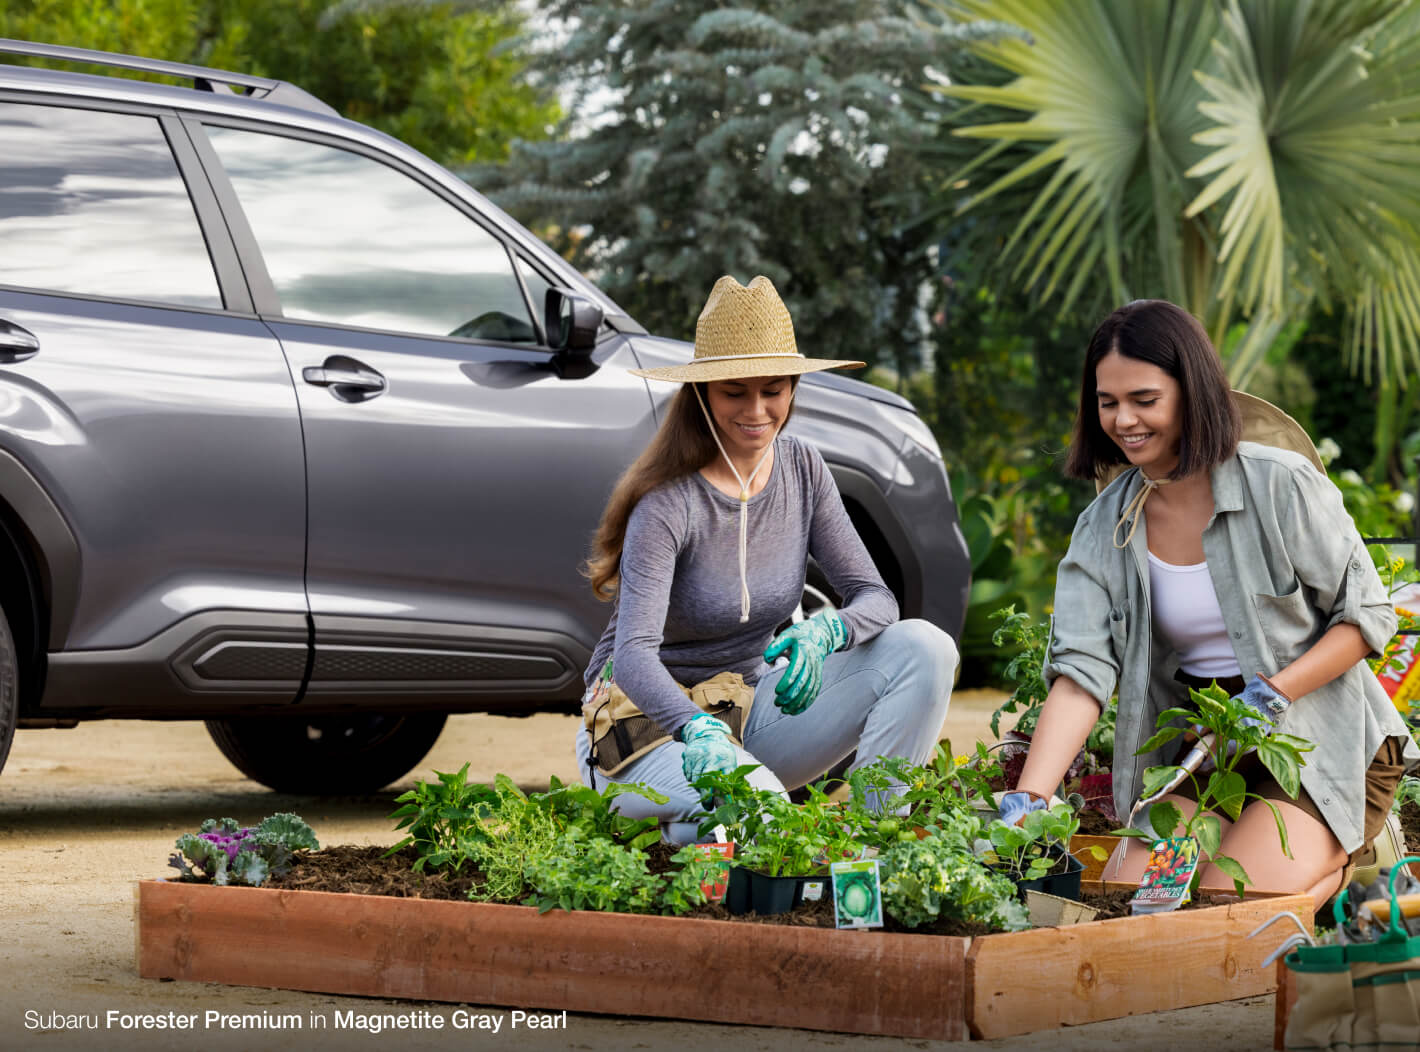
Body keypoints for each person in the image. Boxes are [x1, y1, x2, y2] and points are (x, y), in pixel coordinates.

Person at [1003, 299, 1418, 908]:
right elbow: (1081, 674)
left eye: (1145, 400)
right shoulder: (1103, 529)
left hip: (1320, 739)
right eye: (1107, 402)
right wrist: (1030, 800)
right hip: (1207, 747)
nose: (1125, 420)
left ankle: (1342, 870)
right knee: (1134, 897)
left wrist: (1274, 692)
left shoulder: (1281, 485)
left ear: (1191, 392)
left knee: (1228, 902)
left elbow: (1365, 617)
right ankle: (1313, 867)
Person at [573, 274, 957, 843]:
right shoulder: (667, 502)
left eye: (773, 389)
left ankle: (877, 850)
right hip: (645, 728)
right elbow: (632, 656)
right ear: (702, 394)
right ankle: (692, 822)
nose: (757, 410)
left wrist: (828, 631)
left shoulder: (802, 468)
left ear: (793, 388)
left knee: (926, 649)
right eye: (735, 392)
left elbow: (877, 599)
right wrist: (696, 728)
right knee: (765, 815)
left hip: (750, 713)